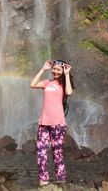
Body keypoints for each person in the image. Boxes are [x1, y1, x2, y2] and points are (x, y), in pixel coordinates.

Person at [30, 59, 75, 187]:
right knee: (41, 151)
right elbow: (32, 84)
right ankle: (43, 179)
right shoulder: (47, 83)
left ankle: (60, 178)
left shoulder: (64, 84)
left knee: (57, 152)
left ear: (62, 71)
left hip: (58, 124)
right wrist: (43, 69)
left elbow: (69, 92)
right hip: (44, 123)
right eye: (54, 69)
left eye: (58, 69)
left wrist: (66, 74)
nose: (55, 71)